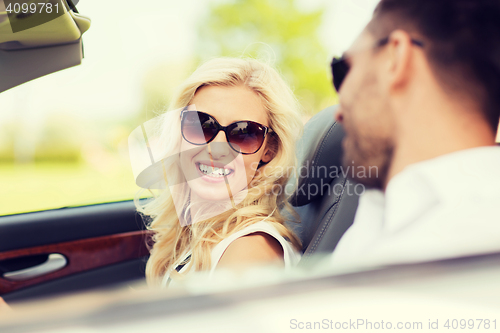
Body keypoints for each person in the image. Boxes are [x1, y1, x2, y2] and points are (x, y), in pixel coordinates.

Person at [329, 0, 500, 268]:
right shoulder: (377, 215)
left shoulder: (478, 240)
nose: (337, 113)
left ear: (394, 57)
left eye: (342, 70)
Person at [133, 58, 303, 287]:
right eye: (202, 125)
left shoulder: (249, 251)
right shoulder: (200, 232)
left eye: (244, 133)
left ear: (269, 151)